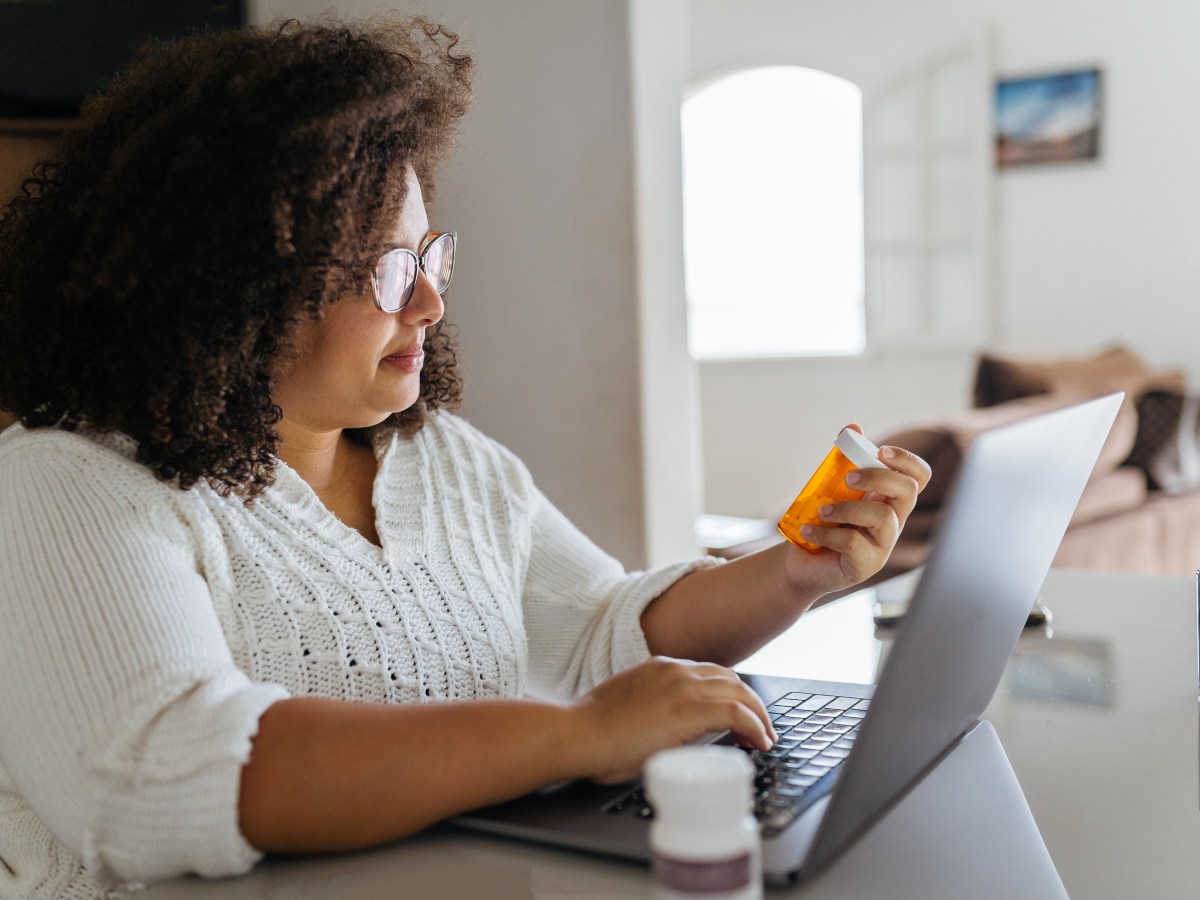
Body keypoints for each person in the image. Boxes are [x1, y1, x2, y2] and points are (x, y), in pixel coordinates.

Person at [0, 16, 930, 899]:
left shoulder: (442, 460)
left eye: (429, 257)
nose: (431, 304)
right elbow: (161, 775)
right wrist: (576, 737)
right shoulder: (64, 481)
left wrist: (796, 572)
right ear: (233, 291)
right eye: (387, 271)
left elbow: (602, 631)